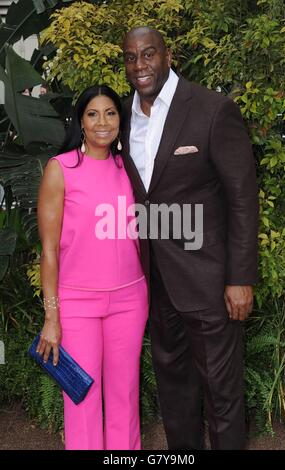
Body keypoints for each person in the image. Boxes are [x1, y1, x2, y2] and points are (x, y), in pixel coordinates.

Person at [122, 26, 259, 450]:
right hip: (156, 283)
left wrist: (240, 278)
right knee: (175, 395)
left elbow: (241, 197)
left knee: (222, 396)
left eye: (148, 54)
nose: (139, 65)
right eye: (130, 57)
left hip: (210, 283)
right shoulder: (121, 116)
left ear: (167, 54)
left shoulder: (211, 109)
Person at [36, 85, 148, 450]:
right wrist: (51, 316)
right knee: (81, 397)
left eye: (111, 113)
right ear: (80, 122)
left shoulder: (129, 168)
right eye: (93, 114)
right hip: (77, 306)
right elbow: (49, 251)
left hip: (130, 300)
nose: (103, 122)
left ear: (120, 119)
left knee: (125, 396)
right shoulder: (61, 168)